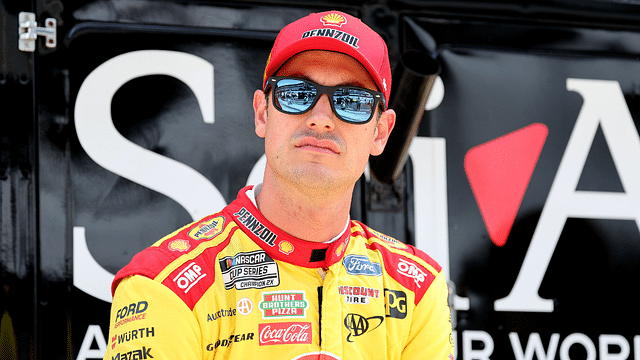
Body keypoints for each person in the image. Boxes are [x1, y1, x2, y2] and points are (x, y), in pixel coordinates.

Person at [103, 10, 453, 360]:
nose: (320, 119)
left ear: (380, 133)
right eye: (297, 93)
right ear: (262, 114)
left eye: (352, 101)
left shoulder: (418, 289)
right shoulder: (164, 286)